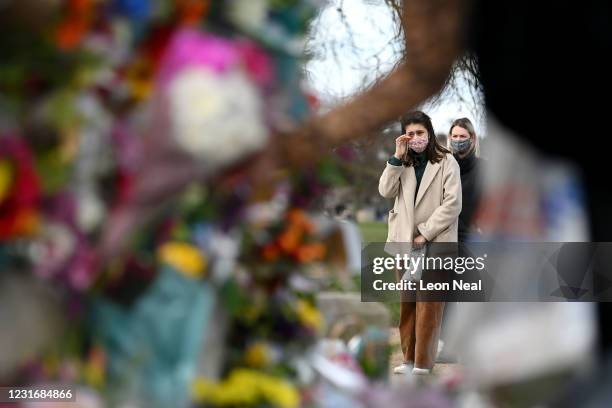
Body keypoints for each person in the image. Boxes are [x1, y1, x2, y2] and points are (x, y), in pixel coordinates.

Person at [378, 111, 462, 375]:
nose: (415, 138)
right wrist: (396, 157)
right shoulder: (401, 162)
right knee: (408, 302)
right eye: (410, 133)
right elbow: (385, 191)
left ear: (429, 132)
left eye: (420, 133)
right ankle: (408, 360)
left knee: (430, 303)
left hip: (437, 240)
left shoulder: (447, 161)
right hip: (404, 241)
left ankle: (424, 364)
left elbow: (453, 203)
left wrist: (425, 233)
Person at [448, 118, 482, 242]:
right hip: (447, 238)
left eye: (462, 136)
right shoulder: (443, 168)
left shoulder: (483, 169)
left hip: (473, 240)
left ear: (472, 138)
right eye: (455, 136)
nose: (458, 140)